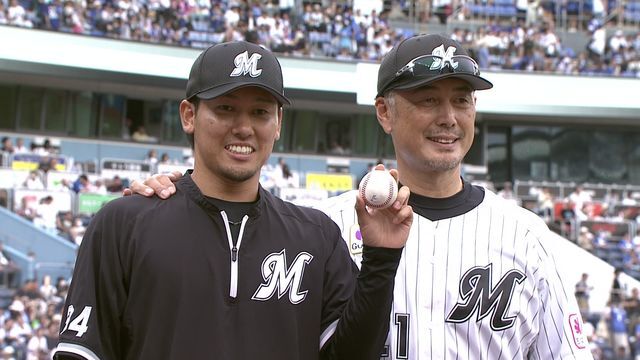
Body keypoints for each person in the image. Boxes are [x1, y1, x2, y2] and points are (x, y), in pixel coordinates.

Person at [128, 34, 592, 358]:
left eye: (462, 99)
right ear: (385, 113)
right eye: (428, 99)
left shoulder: (526, 236)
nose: (449, 117)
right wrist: (176, 191)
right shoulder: (318, 227)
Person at [54, 40, 413, 360]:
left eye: (260, 112)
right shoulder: (123, 223)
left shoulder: (316, 235)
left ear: (278, 124)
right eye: (225, 108)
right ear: (189, 115)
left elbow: (353, 355)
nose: (243, 127)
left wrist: (381, 258)